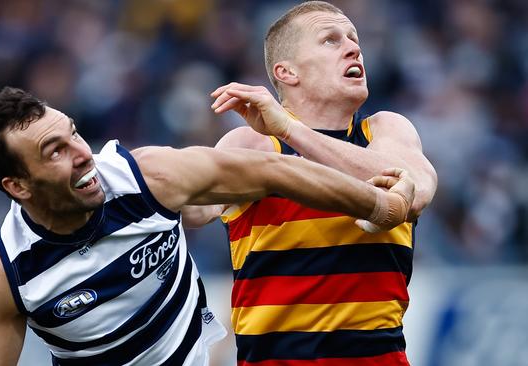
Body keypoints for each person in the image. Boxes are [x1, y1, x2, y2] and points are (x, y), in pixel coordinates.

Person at [0, 87, 414, 365]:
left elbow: (271, 171)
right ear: (18, 185)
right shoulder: (6, 270)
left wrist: (380, 205)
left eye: (74, 134)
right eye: (54, 151)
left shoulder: (146, 178)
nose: (82, 153)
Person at [182, 1, 438, 365]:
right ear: (287, 72)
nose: (354, 48)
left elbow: (411, 190)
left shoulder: (385, 129)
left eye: (354, 39)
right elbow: (192, 210)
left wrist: (291, 130)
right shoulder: (254, 145)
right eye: (331, 40)